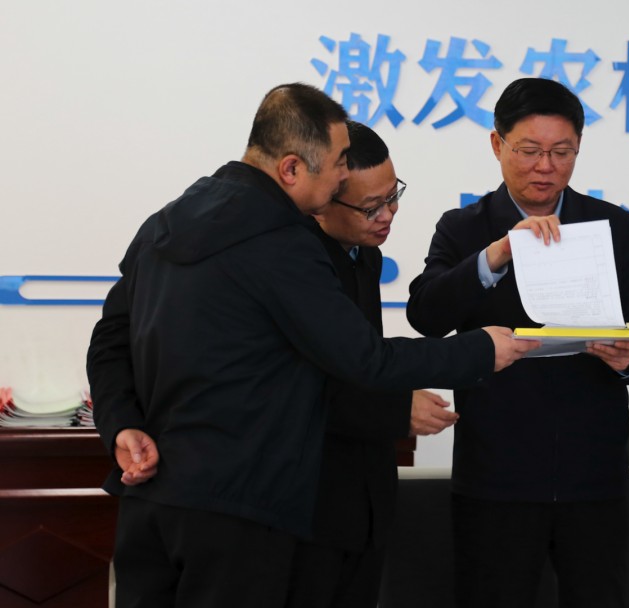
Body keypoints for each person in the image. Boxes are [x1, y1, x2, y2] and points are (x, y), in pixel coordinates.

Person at [86, 83, 536, 608]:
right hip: (240, 510)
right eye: (340, 162)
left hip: (153, 498)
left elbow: (110, 337)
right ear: (291, 169)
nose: (345, 174)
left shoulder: (168, 219)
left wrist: (121, 423)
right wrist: (480, 349)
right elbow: (361, 358)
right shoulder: (280, 241)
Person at [407, 77, 629, 608]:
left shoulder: (611, 225)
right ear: (497, 144)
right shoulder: (464, 228)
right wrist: (495, 256)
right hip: (495, 473)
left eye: (561, 152)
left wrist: (628, 357)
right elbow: (426, 315)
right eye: (529, 151)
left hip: (593, 474)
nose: (545, 167)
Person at [284, 121, 456, 607]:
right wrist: (396, 409)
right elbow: (308, 384)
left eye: (393, 196)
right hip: (308, 504)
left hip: (366, 497)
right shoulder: (297, 266)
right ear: (322, 200)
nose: (387, 215)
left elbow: (363, 365)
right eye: (370, 207)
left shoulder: (366, 256)